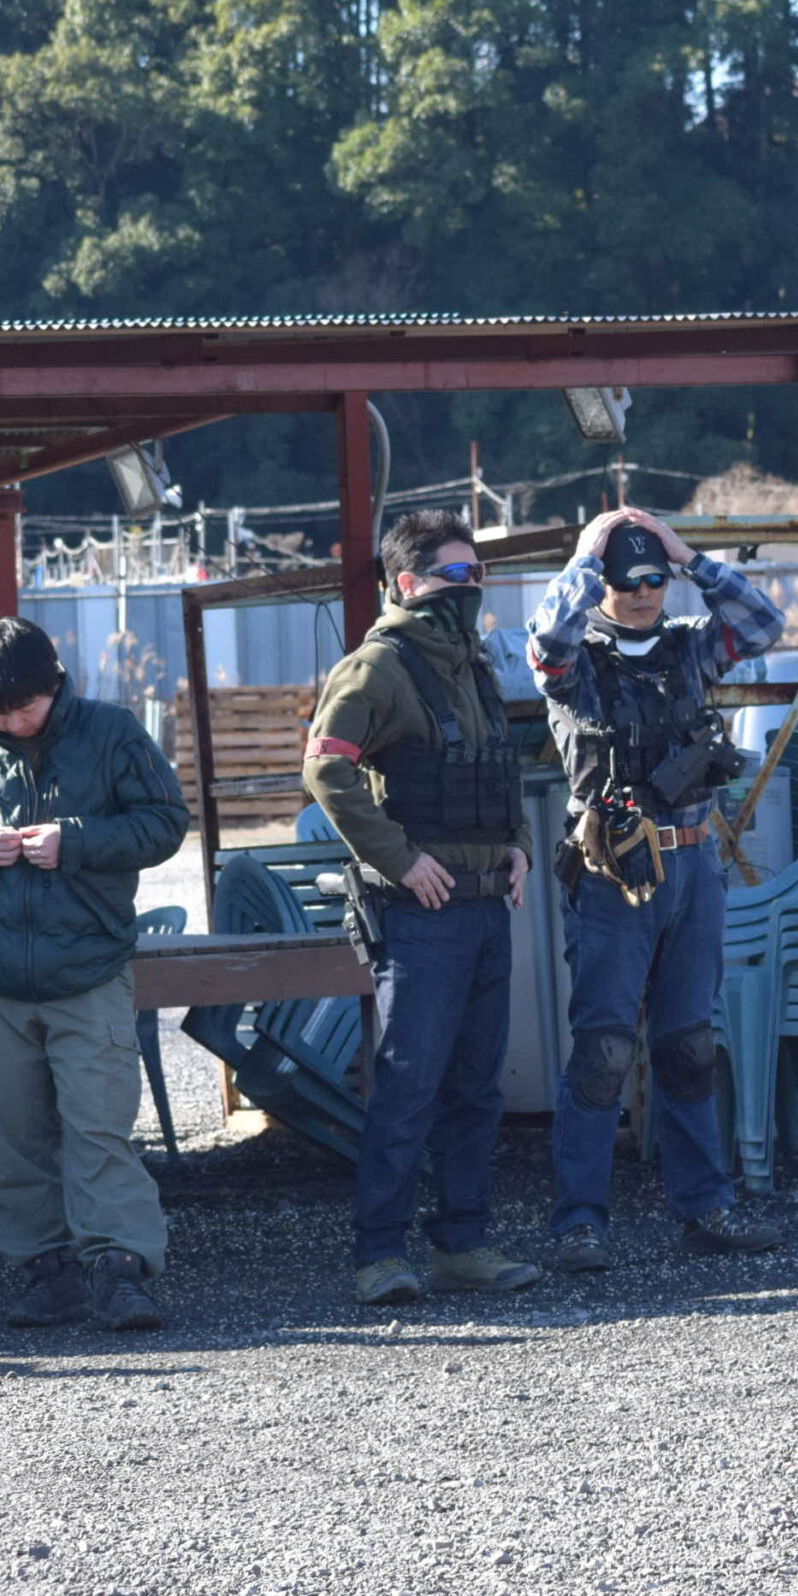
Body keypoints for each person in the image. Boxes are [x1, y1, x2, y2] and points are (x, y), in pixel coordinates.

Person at [0, 618, 188, 1331]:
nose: (8, 720)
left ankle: (119, 1269)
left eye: (22, 707)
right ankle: (45, 1272)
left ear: (54, 685)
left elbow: (164, 823)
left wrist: (76, 841)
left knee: (99, 1131)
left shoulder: (112, 731)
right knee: (7, 1141)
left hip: (90, 968)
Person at [525, 506, 786, 1272]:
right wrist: (585, 554)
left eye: (653, 578)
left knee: (689, 1045)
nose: (642, 591)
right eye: (626, 578)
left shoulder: (691, 648)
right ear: (601, 583)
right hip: (612, 874)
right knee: (604, 1050)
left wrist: (689, 557)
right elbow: (544, 640)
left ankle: (705, 1206)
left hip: (694, 865)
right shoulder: (575, 663)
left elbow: (765, 623)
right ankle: (579, 1223)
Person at [302, 509, 540, 1306]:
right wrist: (399, 859)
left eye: (478, 573)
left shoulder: (474, 663)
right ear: (408, 584)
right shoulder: (377, 668)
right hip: (420, 916)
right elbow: (325, 769)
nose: (472, 588)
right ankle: (380, 1254)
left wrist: (517, 845)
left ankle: (462, 1245)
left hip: (485, 906)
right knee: (407, 1087)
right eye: (456, 575)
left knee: (477, 1090)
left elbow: (495, 769)